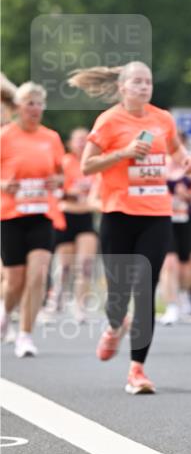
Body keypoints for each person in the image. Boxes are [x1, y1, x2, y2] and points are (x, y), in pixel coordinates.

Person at [74, 61, 191, 394]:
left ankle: (137, 370)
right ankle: (115, 325)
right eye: (137, 82)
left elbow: (175, 148)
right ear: (123, 87)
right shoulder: (109, 121)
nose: (144, 87)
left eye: (148, 82)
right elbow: (87, 165)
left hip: (156, 214)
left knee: (145, 290)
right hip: (118, 214)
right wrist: (124, 153)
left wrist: (184, 159)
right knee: (118, 295)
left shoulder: (163, 119)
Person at [0, 82, 64, 356]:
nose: (35, 109)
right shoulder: (5, 136)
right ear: (18, 107)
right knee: (15, 279)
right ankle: (5, 313)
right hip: (11, 215)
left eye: (39, 104)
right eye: (30, 103)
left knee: (37, 274)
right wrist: (3, 185)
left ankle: (25, 335)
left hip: (42, 213)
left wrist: (56, 180)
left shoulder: (51, 138)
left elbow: (61, 173)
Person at [45, 128, 98, 322]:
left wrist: (88, 198)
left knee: (85, 265)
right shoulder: (65, 162)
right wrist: (70, 194)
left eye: (86, 140)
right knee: (64, 266)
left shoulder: (93, 163)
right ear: (70, 143)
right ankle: (55, 300)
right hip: (66, 216)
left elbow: (98, 191)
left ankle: (80, 306)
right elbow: (54, 189)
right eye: (78, 140)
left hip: (86, 217)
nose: (82, 143)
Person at [159, 137, 191, 325]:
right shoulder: (159, 168)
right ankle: (171, 306)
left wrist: (189, 195)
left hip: (186, 221)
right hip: (164, 221)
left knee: (186, 268)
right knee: (169, 263)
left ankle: (184, 295)